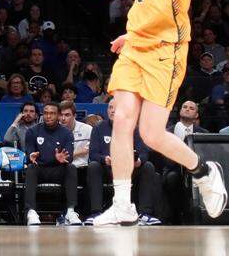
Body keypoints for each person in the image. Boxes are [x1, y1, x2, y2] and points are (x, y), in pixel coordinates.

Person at [94, 0, 226, 224]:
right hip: (137, 46)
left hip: (165, 50)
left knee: (151, 134)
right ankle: (123, 203)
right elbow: (153, 4)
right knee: (122, 118)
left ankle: (203, 172)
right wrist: (131, 33)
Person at [86, 97, 162, 225]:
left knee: (148, 166)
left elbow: (144, 153)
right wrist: (105, 159)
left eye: (117, 108)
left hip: (130, 170)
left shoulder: (135, 128)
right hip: (108, 169)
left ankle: (144, 213)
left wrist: (139, 161)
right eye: (110, 107)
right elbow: (93, 154)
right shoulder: (99, 128)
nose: (113, 111)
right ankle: (96, 212)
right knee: (93, 166)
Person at [23, 102, 81, 226]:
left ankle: (70, 211)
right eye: (46, 113)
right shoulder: (32, 131)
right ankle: (31, 211)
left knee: (71, 168)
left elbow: (69, 157)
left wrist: (62, 158)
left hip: (57, 170)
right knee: (31, 168)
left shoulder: (66, 133)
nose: (48, 116)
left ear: (59, 116)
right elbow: (29, 152)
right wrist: (31, 156)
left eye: (52, 113)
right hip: (40, 169)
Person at [57, 100, 92, 169]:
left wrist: (69, 154)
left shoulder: (87, 129)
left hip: (81, 167)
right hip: (60, 168)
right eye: (61, 115)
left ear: (74, 116)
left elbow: (91, 148)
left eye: (67, 115)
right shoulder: (53, 130)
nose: (63, 118)